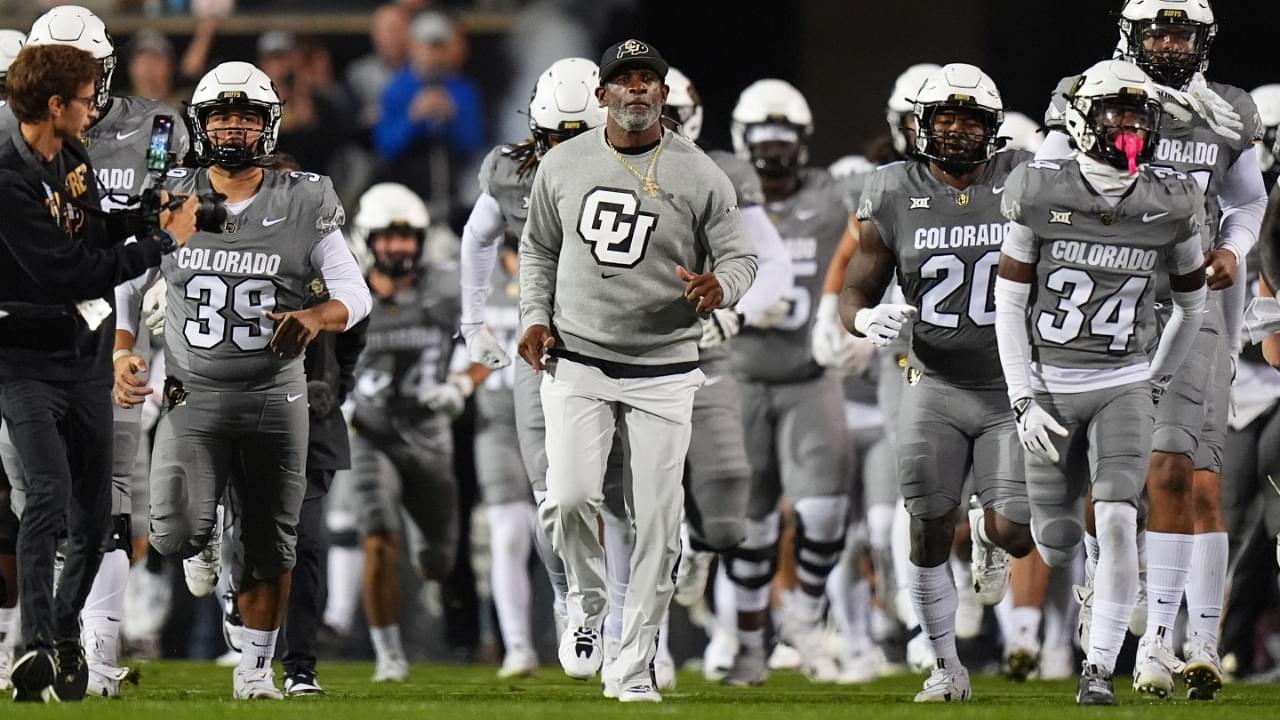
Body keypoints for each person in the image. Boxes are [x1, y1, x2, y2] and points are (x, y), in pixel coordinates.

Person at [112, 60, 371, 699]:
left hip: (274, 395)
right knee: (173, 534)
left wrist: (316, 316)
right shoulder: (170, 192)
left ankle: (256, 671)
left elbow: (355, 292)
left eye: (246, 116)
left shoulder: (305, 196)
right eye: (222, 116)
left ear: (268, 126)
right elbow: (128, 277)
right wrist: (124, 348)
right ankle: (207, 538)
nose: (233, 128)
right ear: (201, 125)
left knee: (274, 545)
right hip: (192, 394)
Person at [1037, 2, 1266, 701]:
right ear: (1130, 35)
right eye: (1159, 31)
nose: (1171, 44)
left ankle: (1168, 642)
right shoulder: (1089, 92)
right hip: (1105, 312)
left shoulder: (1228, 111)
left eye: (1183, 33)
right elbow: (1045, 187)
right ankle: (1106, 583)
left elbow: (1248, 201)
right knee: (1088, 488)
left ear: (1204, 41)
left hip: (1193, 310)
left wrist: (1232, 249)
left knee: (1183, 474)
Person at [517, 38, 756, 703]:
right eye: (624, 80)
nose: (638, 90)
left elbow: (742, 257)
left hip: (664, 364)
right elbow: (537, 250)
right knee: (566, 499)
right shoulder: (563, 163)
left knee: (656, 520)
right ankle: (588, 604)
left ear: (663, 94)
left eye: (648, 79)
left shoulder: (700, 172)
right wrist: (533, 317)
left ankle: (635, 664)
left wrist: (722, 286)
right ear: (603, 96)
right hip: (579, 355)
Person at [995, 59, 1208, 705]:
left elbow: (1193, 305)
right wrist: (1022, 396)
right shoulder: (1037, 189)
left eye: (1140, 116)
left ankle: (1099, 667)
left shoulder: (1171, 200)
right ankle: (1077, 586)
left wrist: (1154, 379)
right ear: (1084, 120)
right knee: (1055, 544)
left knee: (1118, 517)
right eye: (1117, 113)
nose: (1130, 127)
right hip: (1051, 384)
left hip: (1122, 379)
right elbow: (1007, 305)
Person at [0, 5, 194, 697]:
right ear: (51, 99)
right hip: (25, 350)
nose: (93, 108)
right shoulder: (8, 167)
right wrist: (161, 240)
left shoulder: (76, 151)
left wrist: (143, 220)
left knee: (95, 513)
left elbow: (92, 225)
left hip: (87, 349)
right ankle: (33, 646)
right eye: (80, 97)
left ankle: (65, 643)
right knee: (41, 499)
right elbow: (69, 268)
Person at [840, 63, 1038, 702]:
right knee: (924, 525)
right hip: (934, 382)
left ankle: (985, 535)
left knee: (1017, 528)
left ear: (994, 128)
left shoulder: (1024, 178)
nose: (955, 131)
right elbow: (856, 285)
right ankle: (946, 665)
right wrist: (865, 317)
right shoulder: (892, 189)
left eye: (970, 120)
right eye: (944, 119)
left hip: (1010, 386)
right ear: (919, 126)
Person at [458, 57, 607, 680]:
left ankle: (627, 625)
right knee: (554, 497)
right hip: (543, 347)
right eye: (555, 141)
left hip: (625, 349)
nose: (563, 156)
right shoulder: (512, 173)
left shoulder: (653, 166)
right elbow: (477, 237)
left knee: (627, 499)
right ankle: (576, 599)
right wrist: (472, 323)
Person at [657, 65, 799, 688]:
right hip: (629, 354)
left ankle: (696, 545)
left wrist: (732, 308)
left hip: (702, 350)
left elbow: (772, 261)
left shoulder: (718, 172)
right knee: (637, 500)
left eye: (673, 115)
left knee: (724, 508)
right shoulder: (597, 167)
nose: (664, 127)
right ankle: (644, 648)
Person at [719, 78, 852, 685]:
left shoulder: (833, 195)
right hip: (739, 374)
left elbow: (886, 237)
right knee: (750, 524)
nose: (774, 151)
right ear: (742, 141)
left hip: (807, 374)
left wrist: (859, 320)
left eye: (785, 137)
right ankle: (748, 643)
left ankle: (803, 617)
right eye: (763, 138)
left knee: (824, 511)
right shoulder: (718, 197)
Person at [345, 181, 477, 683]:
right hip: (370, 432)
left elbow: (485, 336)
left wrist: (462, 381)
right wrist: (336, 400)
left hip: (429, 432)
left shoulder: (445, 285)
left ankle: (433, 578)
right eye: (388, 237)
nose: (399, 247)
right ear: (365, 239)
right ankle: (389, 655)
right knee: (377, 536)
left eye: (407, 237)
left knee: (437, 563)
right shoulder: (348, 290)